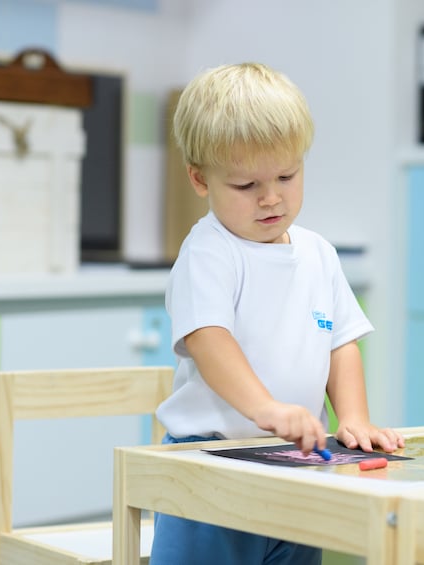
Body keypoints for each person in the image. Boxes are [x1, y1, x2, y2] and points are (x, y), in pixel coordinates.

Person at [150, 62, 405, 565]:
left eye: (287, 176)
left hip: (297, 459)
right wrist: (265, 409)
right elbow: (208, 338)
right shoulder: (209, 252)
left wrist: (353, 418)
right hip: (210, 461)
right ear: (200, 180)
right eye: (246, 186)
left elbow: (341, 343)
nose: (271, 198)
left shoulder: (319, 253)